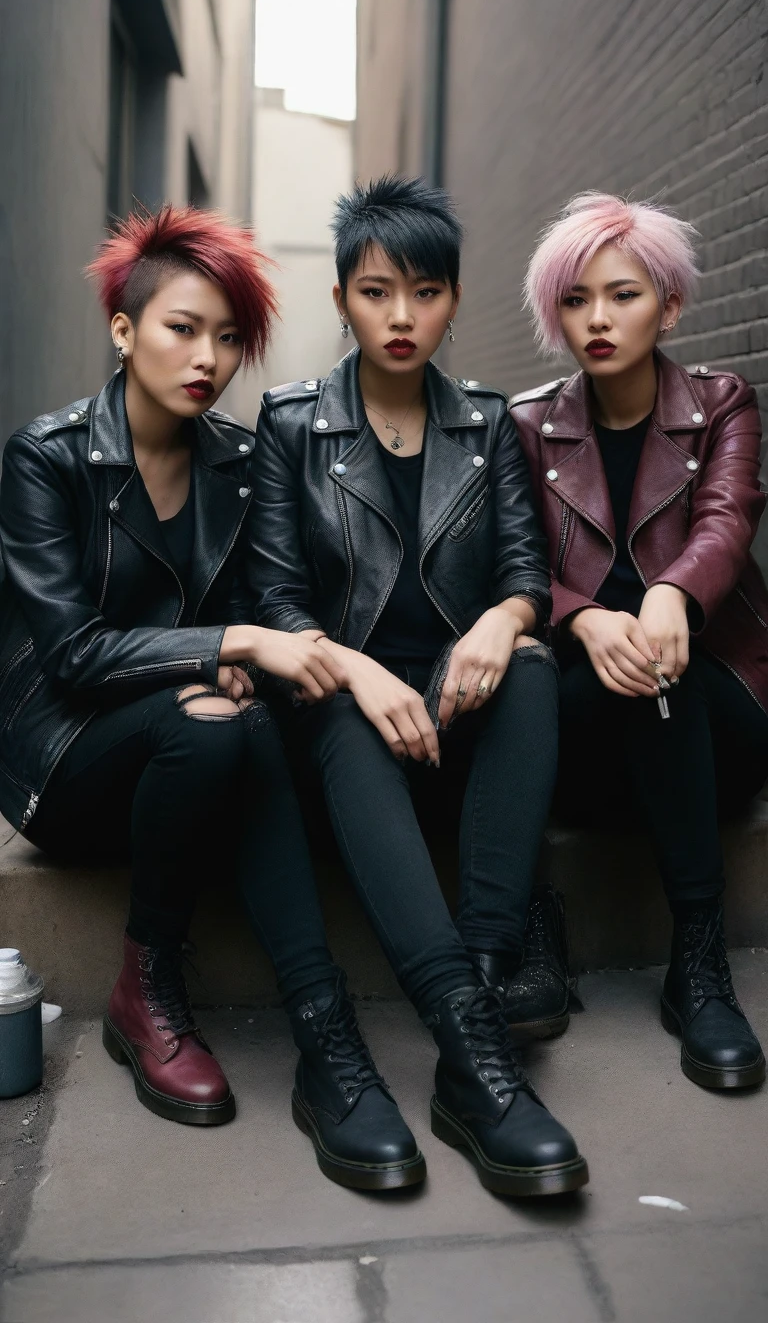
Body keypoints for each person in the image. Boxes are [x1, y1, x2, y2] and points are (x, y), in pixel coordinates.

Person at [0, 205, 431, 1193]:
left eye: (229, 337)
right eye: (182, 328)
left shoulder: (238, 464)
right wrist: (230, 645)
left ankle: (327, 1037)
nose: (209, 356)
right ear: (123, 329)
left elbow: (258, 614)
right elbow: (70, 655)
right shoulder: (48, 457)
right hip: (65, 762)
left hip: (201, 746)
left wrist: (242, 653)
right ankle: (145, 987)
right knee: (214, 726)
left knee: (232, 725)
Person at [247, 175, 589, 1197]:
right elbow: (273, 595)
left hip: (457, 714)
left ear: (453, 298)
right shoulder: (294, 424)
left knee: (528, 664)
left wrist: (499, 619)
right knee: (338, 705)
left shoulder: (486, 424)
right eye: (378, 290)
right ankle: (475, 1048)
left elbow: (526, 573)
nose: (403, 317)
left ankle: (474, 1012)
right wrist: (353, 666)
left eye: (427, 292)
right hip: (345, 732)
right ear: (343, 296)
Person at [512, 191, 767, 1091]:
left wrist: (670, 596)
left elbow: (728, 521)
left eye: (621, 295)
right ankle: (530, 930)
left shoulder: (722, 404)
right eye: (575, 300)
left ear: (670, 303)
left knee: (671, 676)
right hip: (585, 728)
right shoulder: (529, 427)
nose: (597, 319)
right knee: (529, 690)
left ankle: (698, 965)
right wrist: (583, 614)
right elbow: (511, 566)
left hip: (714, 711)